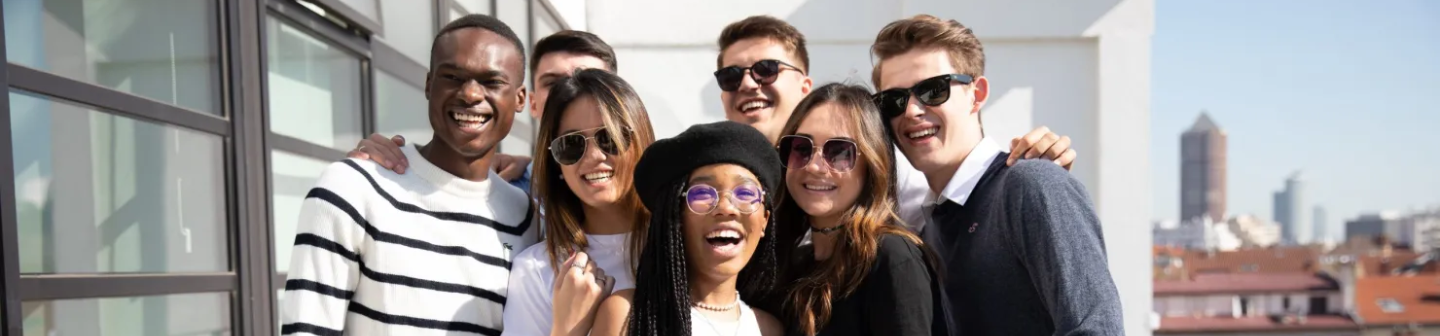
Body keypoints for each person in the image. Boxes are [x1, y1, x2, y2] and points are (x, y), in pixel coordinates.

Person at [280, 14, 536, 335]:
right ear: (429, 85)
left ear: (521, 99)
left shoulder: (528, 219)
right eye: (453, 76)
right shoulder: (353, 189)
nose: (470, 94)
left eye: (491, 81)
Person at [870, 15, 1124, 335]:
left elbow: (1095, 328)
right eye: (893, 100)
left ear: (977, 94)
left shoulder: (1029, 185)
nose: (911, 111)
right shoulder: (923, 222)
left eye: (933, 90)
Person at [712, 15, 1078, 232]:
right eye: (730, 76)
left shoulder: (898, 173)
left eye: (766, 70)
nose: (747, 84)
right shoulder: (716, 179)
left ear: (805, 84)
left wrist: (1036, 171)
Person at [770, 83, 948, 336]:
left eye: (840, 152)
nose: (815, 167)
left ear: (873, 164)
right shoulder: (792, 262)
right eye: (801, 148)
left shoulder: (890, 256)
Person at [349, 30, 619, 192]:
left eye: (590, 79)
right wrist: (379, 169)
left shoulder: (644, 189)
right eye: (554, 82)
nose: (572, 90)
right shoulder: (500, 188)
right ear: (531, 102)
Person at [590, 121, 786, 336]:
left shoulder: (769, 329)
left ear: (764, 221)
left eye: (746, 194)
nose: (726, 208)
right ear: (675, 216)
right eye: (702, 194)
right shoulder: (626, 315)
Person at [502, 68, 657, 336]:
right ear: (556, 164)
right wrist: (566, 328)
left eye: (610, 137)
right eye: (571, 145)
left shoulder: (687, 244)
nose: (594, 156)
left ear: (640, 139)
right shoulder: (536, 270)